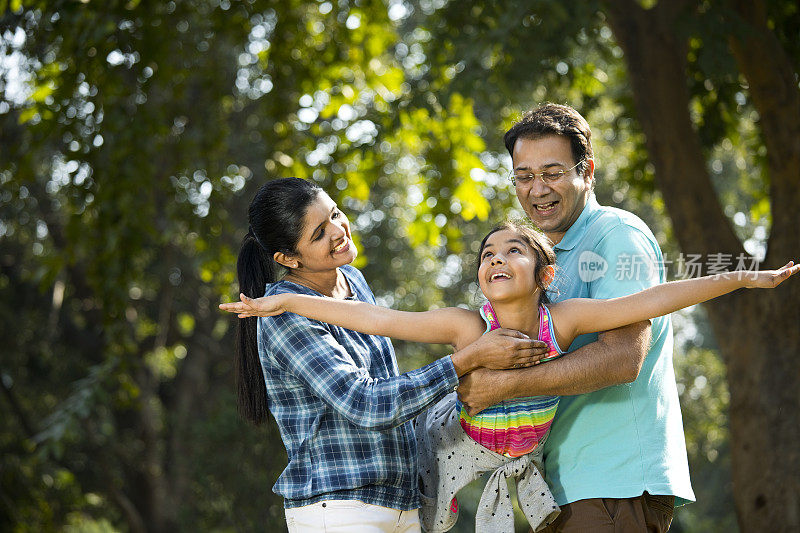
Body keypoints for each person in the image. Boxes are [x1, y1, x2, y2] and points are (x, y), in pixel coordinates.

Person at [221, 220, 798, 532]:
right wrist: (289, 305)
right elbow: (375, 317)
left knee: (514, 490)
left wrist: (746, 278)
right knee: (431, 497)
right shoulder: (465, 327)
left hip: (519, 452)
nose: (495, 258)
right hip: (457, 443)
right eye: (487, 254)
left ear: (545, 272)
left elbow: (658, 296)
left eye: (512, 250)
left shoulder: (565, 322)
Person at [229, 177, 547, 533]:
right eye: (319, 233)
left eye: (334, 214)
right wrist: (467, 360)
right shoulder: (284, 317)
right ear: (288, 258)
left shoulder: (352, 280)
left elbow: (392, 383)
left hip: (400, 505)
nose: (338, 230)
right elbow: (366, 404)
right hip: (339, 508)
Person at [457, 102, 698, 532]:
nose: (537, 189)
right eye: (524, 177)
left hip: (613, 484)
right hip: (564, 489)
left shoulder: (616, 235)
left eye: (552, 173)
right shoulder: (543, 259)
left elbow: (624, 357)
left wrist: (501, 386)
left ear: (586, 172)